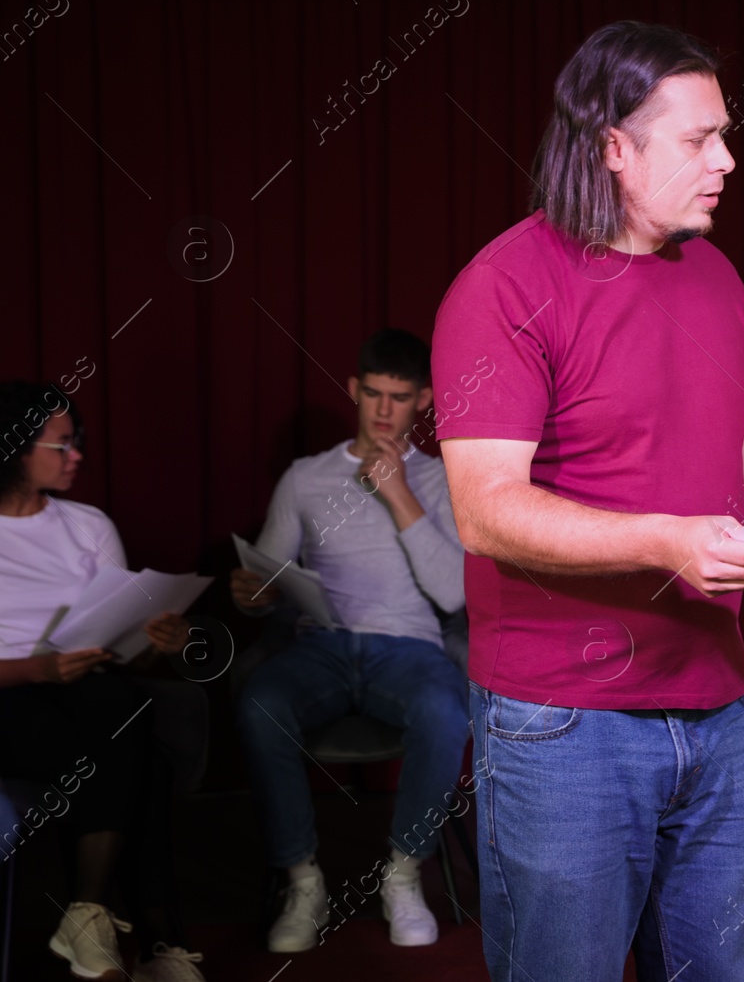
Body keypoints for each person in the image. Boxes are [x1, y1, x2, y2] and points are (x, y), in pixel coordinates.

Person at [430, 20, 744, 982]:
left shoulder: (715, 278)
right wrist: (667, 542)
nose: (728, 160)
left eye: (724, 134)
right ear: (613, 147)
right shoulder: (503, 286)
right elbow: (486, 509)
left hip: (716, 708)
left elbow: (713, 453)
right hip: (561, 724)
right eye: (700, 138)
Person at [231, 328, 469, 952]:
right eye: (372, 395)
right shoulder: (305, 478)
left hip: (411, 651)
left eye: (398, 397)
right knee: (260, 703)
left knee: (446, 710)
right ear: (353, 390)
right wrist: (257, 594)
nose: (383, 411)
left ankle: (403, 873)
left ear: (424, 400)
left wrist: (397, 493)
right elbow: (271, 577)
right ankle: (303, 881)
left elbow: (453, 595)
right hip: (323, 647)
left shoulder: (442, 481)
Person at [0, 381, 207, 982]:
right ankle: (158, 937)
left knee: (119, 704)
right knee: (140, 753)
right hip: (8, 697)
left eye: (78, 442)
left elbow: (121, 648)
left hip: (85, 695)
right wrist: (34, 669)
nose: (78, 456)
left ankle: (89, 917)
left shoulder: (88, 526)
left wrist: (156, 641)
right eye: (63, 445)